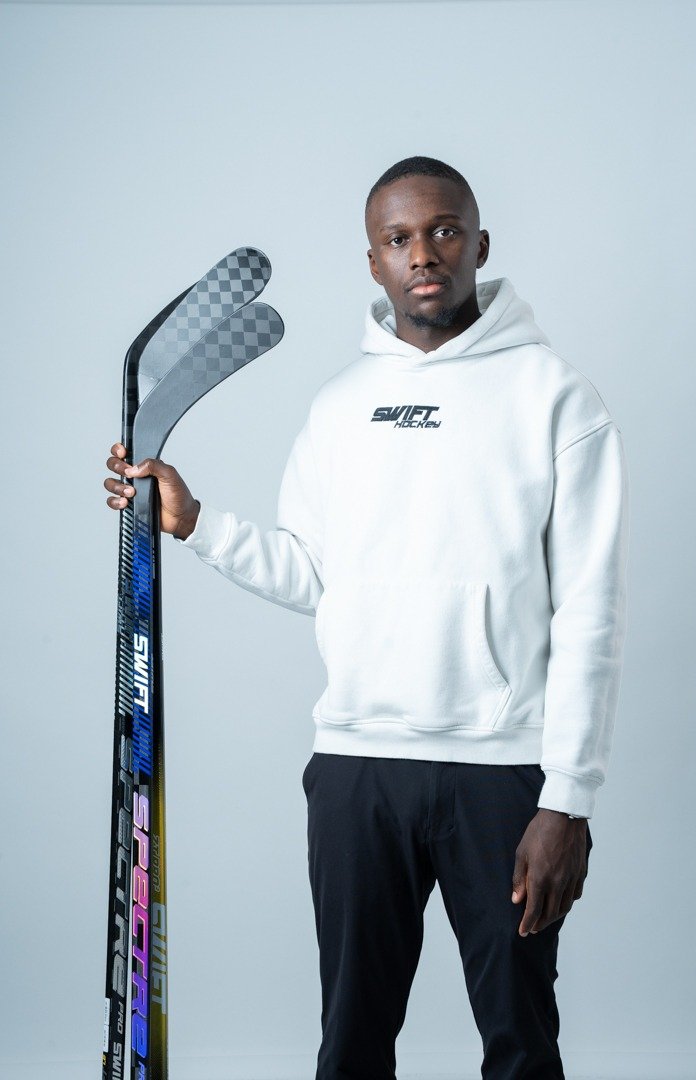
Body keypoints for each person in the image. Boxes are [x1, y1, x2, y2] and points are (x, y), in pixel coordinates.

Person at [103, 155, 630, 1079]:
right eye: (398, 238)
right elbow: (313, 575)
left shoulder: (556, 397)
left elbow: (591, 612)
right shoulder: (340, 407)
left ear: (480, 245)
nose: (422, 253)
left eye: (443, 231)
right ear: (374, 260)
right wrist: (195, 524)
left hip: (502, 776)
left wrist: (567, 800)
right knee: (351, 1043)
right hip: (357, 770)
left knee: (520, 1039)